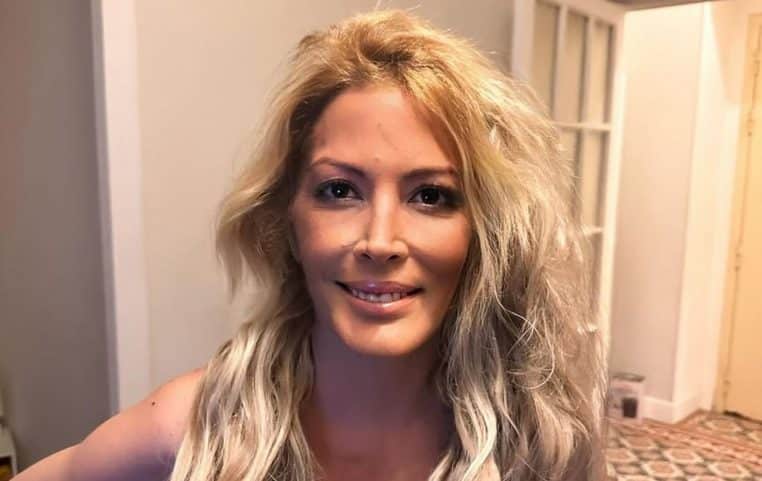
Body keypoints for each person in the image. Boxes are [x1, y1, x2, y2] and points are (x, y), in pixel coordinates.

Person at [15, 9, 607, 481]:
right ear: (288, 222)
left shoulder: (542, 443)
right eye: (339, 190)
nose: (380, 241)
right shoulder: (196, 427)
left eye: (430, 196)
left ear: (483, 231)